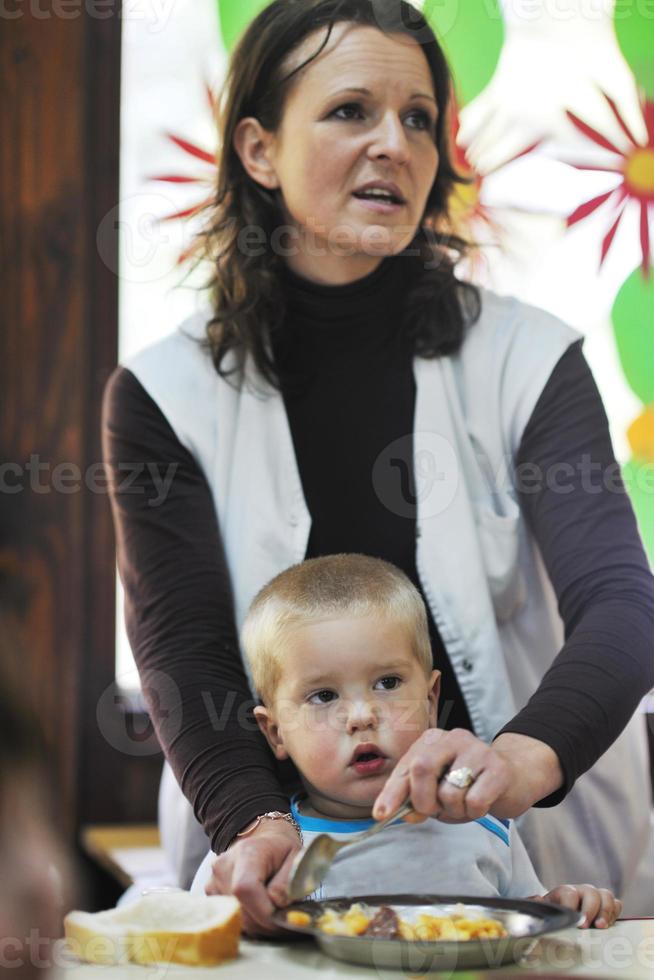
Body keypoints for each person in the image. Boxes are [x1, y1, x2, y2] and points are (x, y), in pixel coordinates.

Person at [103, 0, 654, 938]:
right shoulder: (164, 393)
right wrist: (250, 818)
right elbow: (183, 650)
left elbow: (623, 602)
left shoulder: (530, 359)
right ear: (259, 148)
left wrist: (523, 757)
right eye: (350, 110)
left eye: (418, 118)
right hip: (273, 872)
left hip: (524, 860)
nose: (392, 143)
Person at [193, 554, 622, 930]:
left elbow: (519, 924)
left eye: (387, 682)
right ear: (275, 732)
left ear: (431, 700)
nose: (362, 716)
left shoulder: (487, 829)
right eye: (324, 695)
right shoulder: (252, 858)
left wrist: (561, 908)